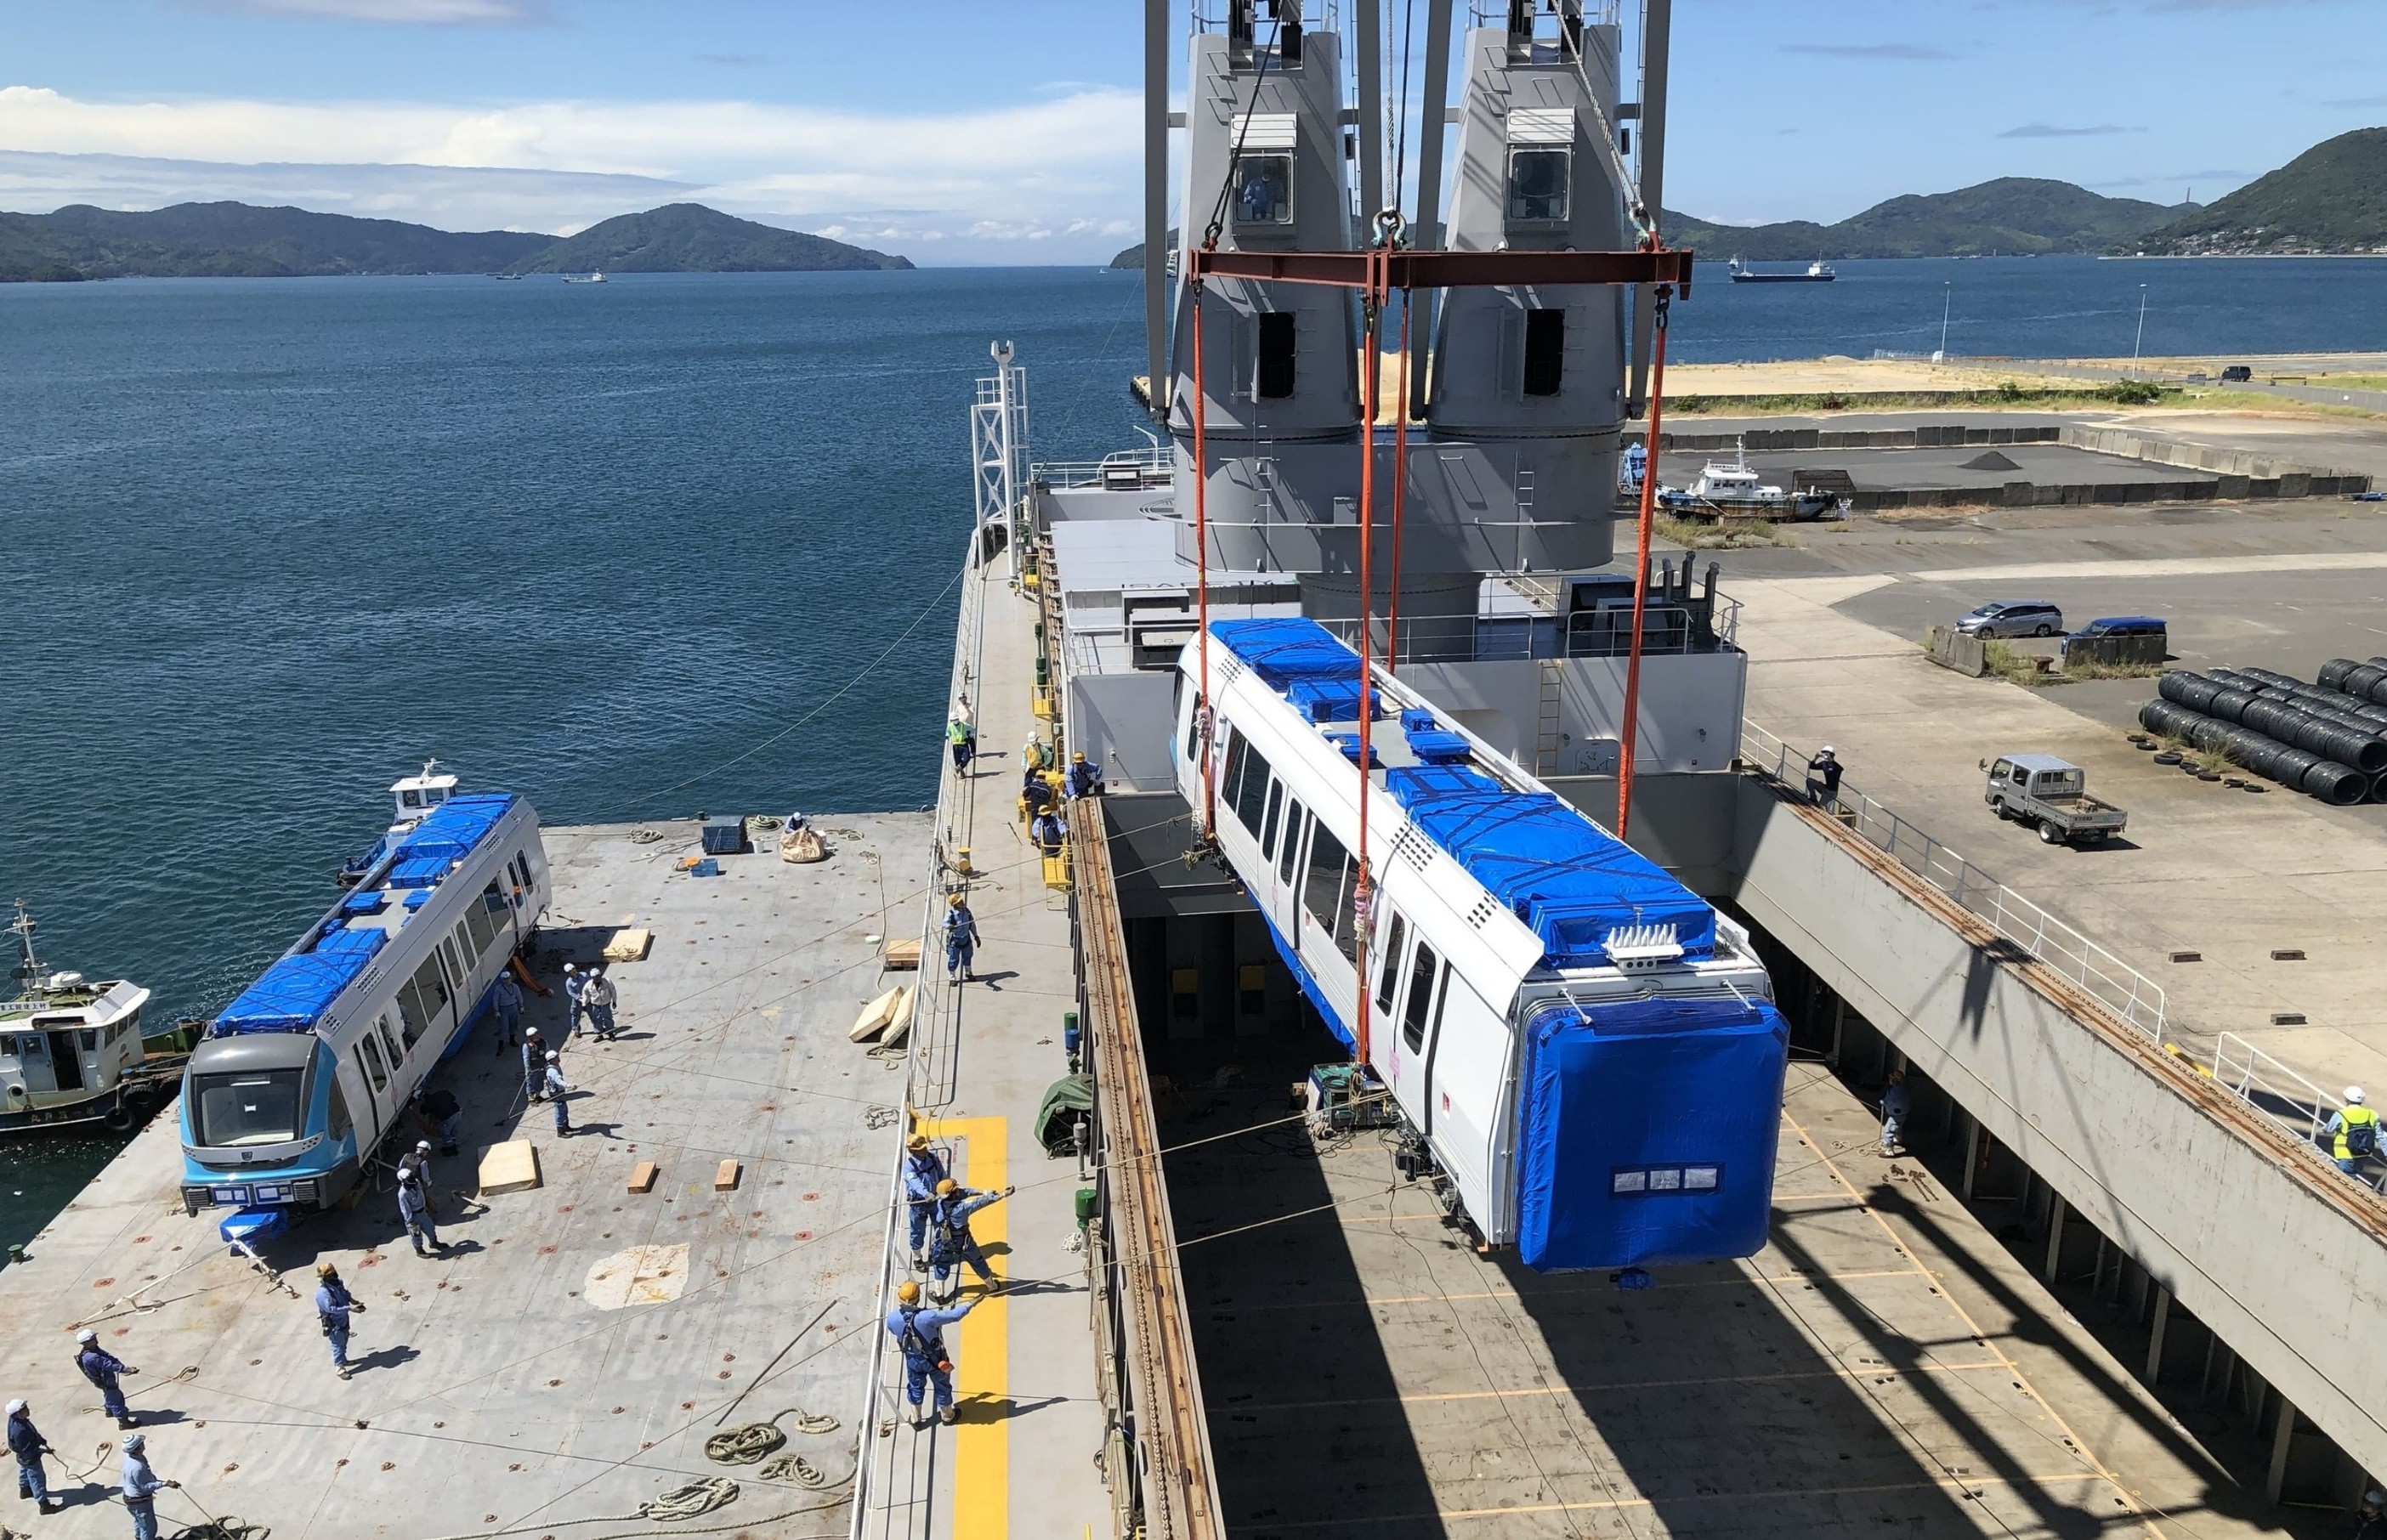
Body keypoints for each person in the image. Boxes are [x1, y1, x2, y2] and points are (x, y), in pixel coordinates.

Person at [884, 1278, 979, 1429]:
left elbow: (894, 1331)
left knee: (915, 1386)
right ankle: (948, 1416)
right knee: (942, 1386)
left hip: (912, 1360)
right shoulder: (928, 1316)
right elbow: (953, 1316)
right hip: (934, 1360)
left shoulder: (892, 1318)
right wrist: (970, 1304)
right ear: (918, 1298)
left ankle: (916, 1418)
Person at [926, 1177, 1012, 1298]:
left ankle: (939, 1294)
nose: (959, 1190)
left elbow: (964, 1192)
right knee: (977, 1261)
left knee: (941, 1263)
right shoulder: (962, 1207)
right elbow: (981, 1202)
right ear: (952, 1193)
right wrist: (1002, 1194)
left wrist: (983, 1191)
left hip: (944, 1239)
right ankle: (992, 1286)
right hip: (963, 1240)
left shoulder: (940, 1201)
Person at [902, 1135, 950, 1271]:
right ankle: (917, 1258)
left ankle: (935, 1251)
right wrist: (926, 1193)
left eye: (925, 1147)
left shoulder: (933, 1158)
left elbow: (942, 1174)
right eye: (921, 1149)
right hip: (919, 1204)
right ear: (913, 1151)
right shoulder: (909, 1167)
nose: (924, 1150)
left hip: (936, 1201)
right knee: (917, 1232)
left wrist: (947, 1187)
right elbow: (915, 1182)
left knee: (940, 1228)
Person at [75, 1328, 139, 1430]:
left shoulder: (93, 1350)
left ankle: (109, 1411)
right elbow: (108, 1365)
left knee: (109, 1394)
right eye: (93, 1338)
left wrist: (118, 1363)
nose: (96, 1340)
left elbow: (107, 1356)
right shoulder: (92, 1357)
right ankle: (123, 1422)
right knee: (116, 1398)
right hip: (105, 1380)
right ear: (86, 1343)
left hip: (104, 1378)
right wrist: (126, 1369)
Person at [118, 1433, 177, 1540]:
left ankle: (139, 1537)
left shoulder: (129, 1457)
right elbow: (145, 1486)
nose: (143, 1444)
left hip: (129, 1497)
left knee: (139, 1521)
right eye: (141, 1443)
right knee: (149, 1527)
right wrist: (165, 1484)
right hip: (139, 1501)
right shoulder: (137, 1467)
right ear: (137, 1448)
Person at [315, 1261, 366, 1380]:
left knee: (345, 1339)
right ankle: (339, 1368)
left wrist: (354, 1302)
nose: (334, 1275)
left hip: (343, 1319)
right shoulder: (323, 1293)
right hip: (334, 1323)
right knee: (338, 1344)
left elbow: (345, 1294)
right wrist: (350, 1308)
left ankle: (343, 1360)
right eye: (330, 1274)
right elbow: (331, 1309)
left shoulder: (338, 1283)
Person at [8, 1398, 59, 1515]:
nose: (28, 1410)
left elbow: (31, 1433)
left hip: (23, 1456)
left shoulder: (17, 1421)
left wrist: (40, 1440)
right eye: (24, 1409)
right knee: (37, 1478)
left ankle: (25, 1490)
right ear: (17, 1413)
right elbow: (29, 1450)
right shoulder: (19, 1431)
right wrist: (43, 1451)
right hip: (30, 1457)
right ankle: (44, 1505)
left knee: (24, 1470)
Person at [2327, 1087, 2379, 1178]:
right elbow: (2381, 1136)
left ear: (2346, 1099)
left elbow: (2328, 1129)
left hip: (2346, 1155)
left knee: (2343, 1179)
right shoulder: (2372, 1114)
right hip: (2364, 1155)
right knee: (2350, 1176)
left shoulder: (2341, 1114)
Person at [396, 1163, 444, 1257]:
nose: (412, 1180)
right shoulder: (403, 1194)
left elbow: (422, 1192)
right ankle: (419, 1251)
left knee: (430, 1228)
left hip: (423, 1212)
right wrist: (410, 1222)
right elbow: (405, 1209)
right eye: (409, 1179)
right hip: (414, 1217)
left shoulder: (416, 1182)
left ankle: (434, 1243)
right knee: (416, 1235)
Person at [414, 1083, 462, 1156]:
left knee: (445, 1134)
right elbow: (452, 1097)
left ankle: (451, 1151)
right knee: (453, 1131)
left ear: (421, 1099)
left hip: (448, 1118)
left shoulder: (426, 1104)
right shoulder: (441, 1093)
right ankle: (453, 1144)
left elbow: (423, 1114)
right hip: (458, 1112)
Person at [942, 893, 979, 984]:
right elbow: (944, 924)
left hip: (966, 939)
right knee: (954, 959)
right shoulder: (951, 914)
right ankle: (952, 977)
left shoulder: (967, 912)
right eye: (960, 902)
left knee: (968, 956)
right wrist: (950, 926)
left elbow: (972, 925)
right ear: (955, 904)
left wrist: (976, 936)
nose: (963, 902)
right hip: (955, 941)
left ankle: (969, 973)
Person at [1880, 1069, 1912, 1157]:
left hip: (1896, 1114)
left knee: (1889, 1129)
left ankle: (1889, 1150)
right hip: (1904, 1113)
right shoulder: (1904, 1089)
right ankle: (1898, 1139)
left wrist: (1883, 1102)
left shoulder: (1895, 1092)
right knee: (1898, 1127)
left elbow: (1890, 1101)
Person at [492, 967, 524, 1052]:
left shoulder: (515, 987)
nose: (507, 980)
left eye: (509, 978)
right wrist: (497, 1011)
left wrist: (521, 1006)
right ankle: (501, 1046)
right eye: (505, 979)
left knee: (514, 1024)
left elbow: (519, 996)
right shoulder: (498, 989)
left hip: (513, 1007)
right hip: (503, 1009)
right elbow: (495, 1000)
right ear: (502, 980)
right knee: (503, 1027)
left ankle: (512, 1040)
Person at [582, 967, 619, 1040]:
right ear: (593, 977)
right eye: (596, 977)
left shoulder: (607, 982)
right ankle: (599, 1035)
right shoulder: (588, 985)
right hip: (595, 1005)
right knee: (596, 1019)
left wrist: (614, 1001)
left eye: (599, 976)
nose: (598, 978)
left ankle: (610, 1034)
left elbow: (613, 991)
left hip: (605, 1004)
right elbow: (586, 995)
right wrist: (584, 1004)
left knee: (608, 1018)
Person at [542, 1051, 574, 1136]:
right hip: (557, 1094)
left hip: (559, 1092)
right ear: (552, 1060)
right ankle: (560, 1131)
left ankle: (565, 1126)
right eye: (556, 1057)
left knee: (564, 1109)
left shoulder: (554, 1067)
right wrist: (569, 1085)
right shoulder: (552, 1071)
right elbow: (559, 1081)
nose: (558, 1058)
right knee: (560, 1111)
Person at [1806, 745, 1843, 812]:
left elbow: (1832, 771)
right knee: (1809, 781)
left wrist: (1829, 760)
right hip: (1825, 788)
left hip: (1831, 792)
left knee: (1820, 807)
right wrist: (1815, 758)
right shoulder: (1824, 764)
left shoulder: (1836, 767)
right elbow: (1812, 767)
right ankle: (1813, 799)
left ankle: (1825, 808)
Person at [947, 699, 978, 773]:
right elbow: (948, 732)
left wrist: (970, 735)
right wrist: (947, 737)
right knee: (958, 760)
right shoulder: (950, 726)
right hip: (955, 745)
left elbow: (973, 729)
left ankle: (960, 767)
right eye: (953, 720)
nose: (955, 721)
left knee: (967, 758)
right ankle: (960, 771)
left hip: (963, 744)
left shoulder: (963, 725)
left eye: (956, 719)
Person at [522, 1027, 548, 1104]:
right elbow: (526, 1058)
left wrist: (548, 1063)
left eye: (537, 1034)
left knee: (540, 1081)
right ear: (530, 1037)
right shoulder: (527, 1046)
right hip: (532, 1068)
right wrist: (527, 1069)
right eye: (534, 1035)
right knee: (531, 1082)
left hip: (542, 1066)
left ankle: (537, 1095)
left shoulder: (544, 1042)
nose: (537, 1036)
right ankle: (531, 1098)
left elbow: (547, 1052)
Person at [562, 962, 588, 1037]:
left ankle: (599, 1029)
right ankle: (576, 1030)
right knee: (575, 1015)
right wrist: (579, 998)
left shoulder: (584, 975)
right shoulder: (569, 983)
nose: (573, 971)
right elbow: (571, 993)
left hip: (588, 998)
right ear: (568, 973)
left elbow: (590, 984)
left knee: (594, 1013)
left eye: (574, 969)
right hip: (578, 1001)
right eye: (571, 971)